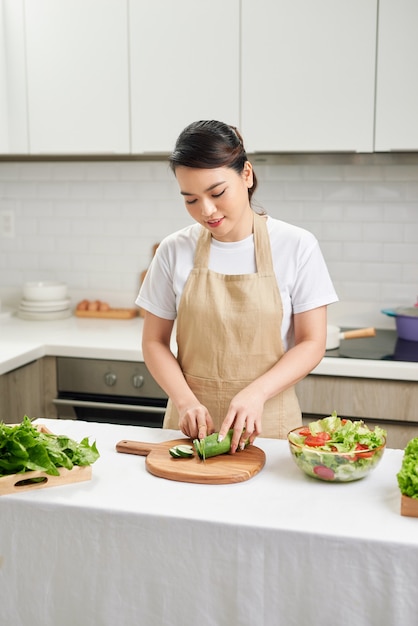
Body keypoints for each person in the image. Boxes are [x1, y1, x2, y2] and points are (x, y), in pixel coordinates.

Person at [136, 120, 338, 453]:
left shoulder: (297, 245)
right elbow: (153, 342)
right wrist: (185, 402)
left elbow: (312, 342)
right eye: (190, 200)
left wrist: (256, 392)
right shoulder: (174, 250)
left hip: (269, 430)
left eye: (217, 193)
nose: (207, 211)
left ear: (246, 175)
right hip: (189, 432)